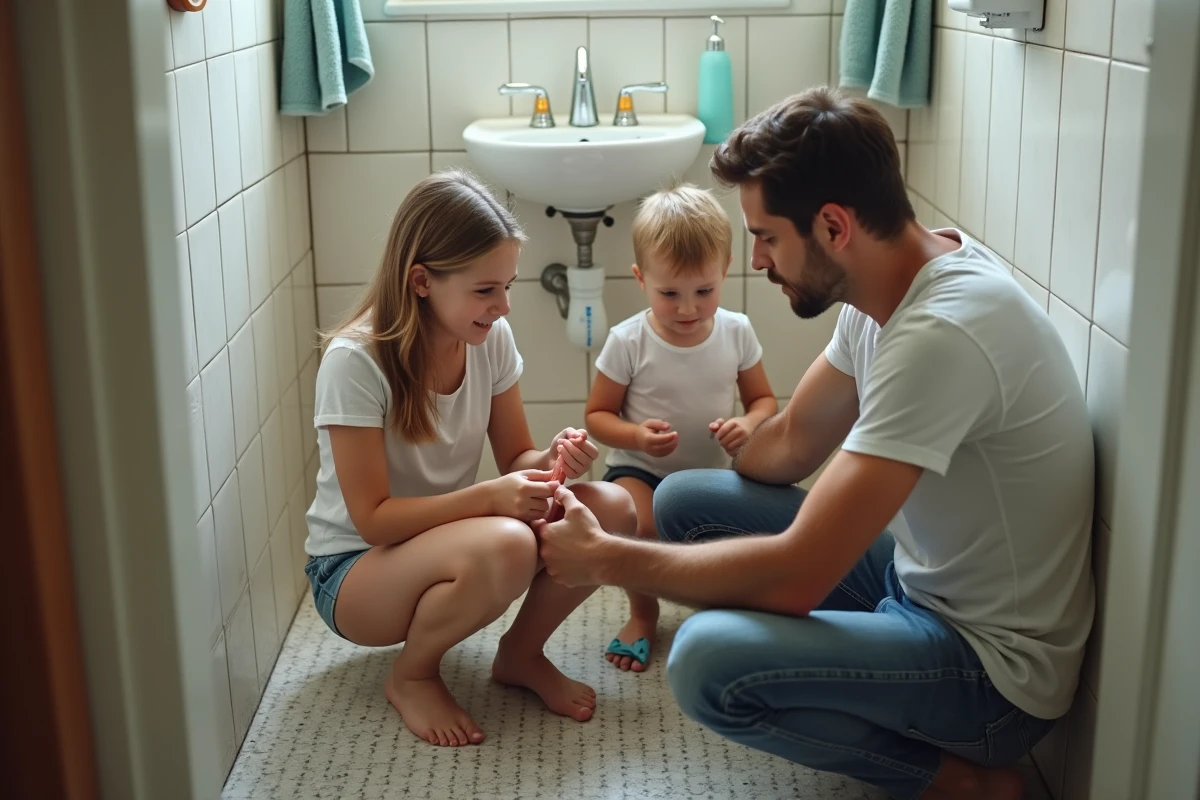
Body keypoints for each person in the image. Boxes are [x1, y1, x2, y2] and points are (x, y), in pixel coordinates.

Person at [532, 86, 1096, 800]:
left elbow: (797, 575)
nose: (758, 262)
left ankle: (955, 782)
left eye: (767, 237)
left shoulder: (942, 334)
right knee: (683, 501)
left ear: (833, 227)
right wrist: (728, 432)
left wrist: (607, 558)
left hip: (991, 676)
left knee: (707, 664)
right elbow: (794, 440)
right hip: (922, 585)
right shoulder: (891, 286)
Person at [303, 170, 636, 748]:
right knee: (506, 543)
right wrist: (490, 497)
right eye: (485, 290)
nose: (503, 306)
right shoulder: (354, 361)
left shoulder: (488, 338)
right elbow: (372, 519)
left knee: (612, 508)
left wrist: (555, 457)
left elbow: (516, 455)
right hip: (353, 572)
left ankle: (521, 655)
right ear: (422, 281)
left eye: (506, 286)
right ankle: (412, 676)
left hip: (436, 542)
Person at [584, 184, 776, 672]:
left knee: (733, 543)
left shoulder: (736, 331)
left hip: (709, 472)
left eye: (704, 291)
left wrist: (747, 424)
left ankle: (718, 610)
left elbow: (764, 400)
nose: (688, 308)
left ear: (725, 269)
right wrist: (635, 437)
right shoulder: (628, 340)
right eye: (670, 293)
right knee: (640, 527)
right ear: (640, 279)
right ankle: (643, 614)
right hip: (640, 468)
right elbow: (597, 416)